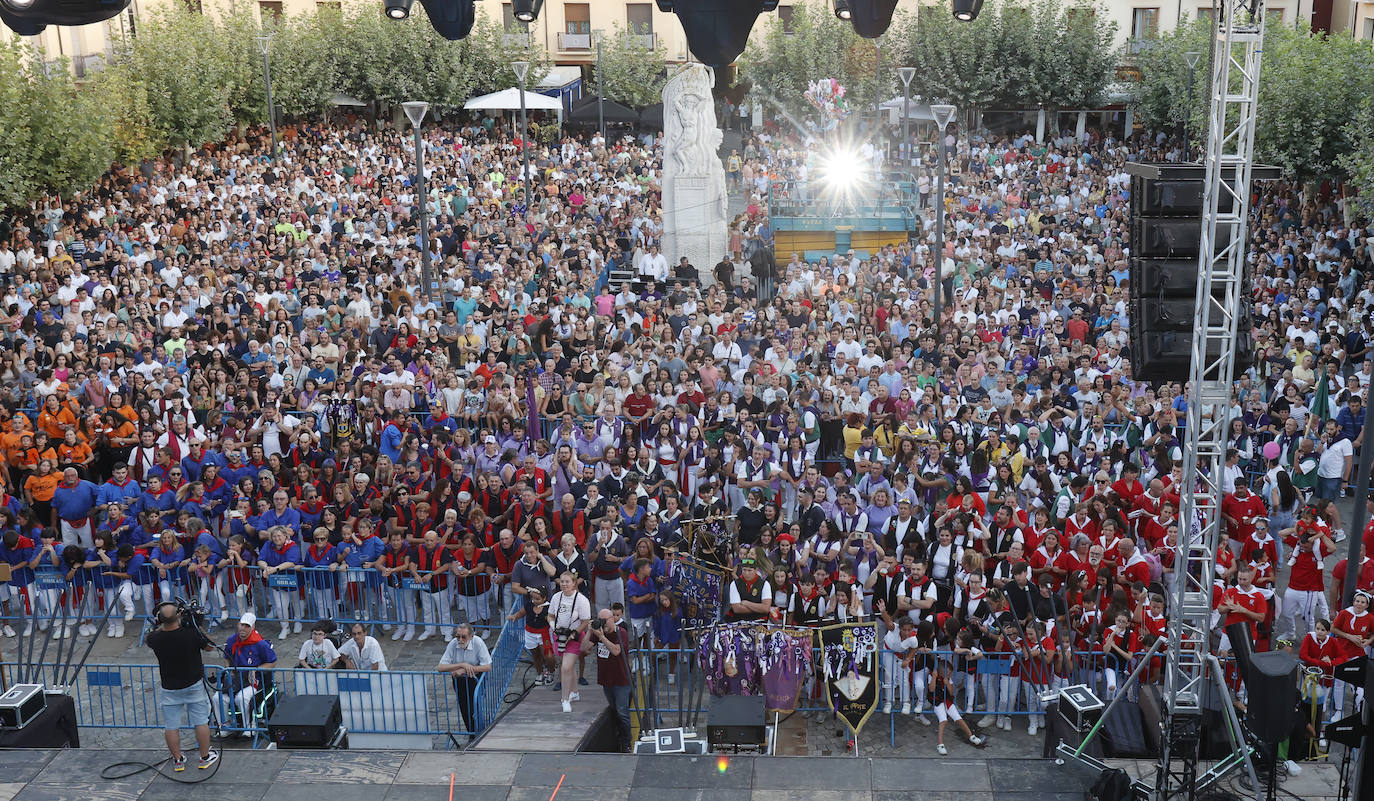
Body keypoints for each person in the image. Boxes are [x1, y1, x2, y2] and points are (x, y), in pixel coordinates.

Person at [144, 601, 219, 771]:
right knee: (201, 722)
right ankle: (204, 757)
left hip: (169, 687)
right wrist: (197, 625)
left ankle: (178, 761)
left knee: (171, 725)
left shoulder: (155, 638)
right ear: (179, 615)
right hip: (193, 684)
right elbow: (209, 646)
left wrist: (164, 621)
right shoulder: (191, 634)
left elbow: (156, 632)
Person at [214, 612, 277, 738]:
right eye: (241, 625)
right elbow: (226, 656)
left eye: (247, 626)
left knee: (242, 698)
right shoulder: (232, 640)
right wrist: (228, 668)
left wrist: (256, 669)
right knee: (217, 698)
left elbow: (272, 663)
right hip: (236, 678)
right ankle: (224, 725)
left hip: (254, 680)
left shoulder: (260, 644)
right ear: (238, 624)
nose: (243, 628)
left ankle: (249, 726)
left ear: (253, 627)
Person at [583, 608, 632, 752]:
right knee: (614, 710)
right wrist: (589, 632)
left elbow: (616, 651)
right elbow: (584, 649)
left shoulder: (620, 633)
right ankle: (616, 737)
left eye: (605, 620)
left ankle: (626, 741)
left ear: (612, 619)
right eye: (600, 619)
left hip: (621, 680)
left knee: (622, 712)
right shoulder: (598, 632)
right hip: (606, 679)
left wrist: (602, 637)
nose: (603, 623)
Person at [437, 622, 492, 735]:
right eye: (458, 636)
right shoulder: (453, 644)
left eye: (463, 637)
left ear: (471, 636)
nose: (460, 639)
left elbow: (487, 666)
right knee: (464, 708)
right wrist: (462, 665)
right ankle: (471, 734)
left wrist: (467, 669)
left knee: (474, 707)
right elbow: (441, 667)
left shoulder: (478, 642)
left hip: (475, 678)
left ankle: (480, 731)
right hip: (460, 680)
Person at [549, 571, 591, 712]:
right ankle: (575, 692)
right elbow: (550, 615)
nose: (564, 584)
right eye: (562, 581)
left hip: (574, 637)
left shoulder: (581, 600)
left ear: (574, 583)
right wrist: (554, 627)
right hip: (559, 635)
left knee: (566, 667)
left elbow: (586, 621)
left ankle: (565, 699)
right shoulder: (556, 597)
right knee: (567, 665)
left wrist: (574, 634)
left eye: (567, 581)